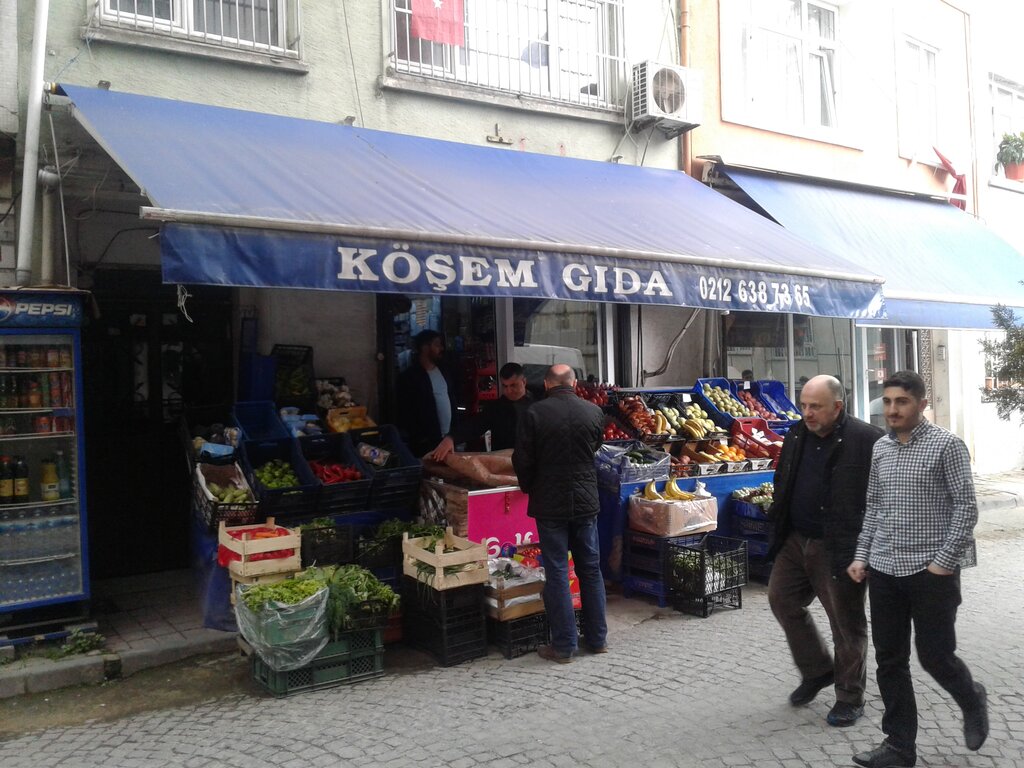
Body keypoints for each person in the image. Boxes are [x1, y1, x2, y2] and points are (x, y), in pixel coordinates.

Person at [848, 370, 988, 768]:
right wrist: (862, 556)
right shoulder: (881, 450)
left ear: (922, 404)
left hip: (931, 573)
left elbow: (966, 507)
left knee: (935, 656)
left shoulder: (947, 446)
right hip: (885, 570)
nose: (892, 410)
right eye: (888, 401)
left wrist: (943, 563)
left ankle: (971, 698)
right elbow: (874, 507)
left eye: (902, 402)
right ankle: (898, 746)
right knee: (889, 659)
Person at [767, 375, 884, 727]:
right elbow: (784, 479)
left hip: (840, 546)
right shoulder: (796, 434)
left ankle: (850, 697)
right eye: (803, 405)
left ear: (838, 406)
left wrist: (868, 548)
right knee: (782, 600)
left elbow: (882, 497)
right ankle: (818, 670)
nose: (807, 413)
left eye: (815, 406)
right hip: (796, 539)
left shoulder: (868, 440)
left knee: (846, 624)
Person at [512, 364, 607, 663]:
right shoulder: (593, 412)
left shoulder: (534, 414)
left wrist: (530, 486)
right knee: (590, 569)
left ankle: (564, 646)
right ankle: (597, 639)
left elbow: (522, 459)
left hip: (550, 503)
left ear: (548, 385)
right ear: (575, 383)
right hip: (585, 502)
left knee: (556, 572)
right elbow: (594, 447)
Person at [395, 330, 459, 461]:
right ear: (425, 348)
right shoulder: (409, 378)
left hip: (447, 440)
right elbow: (405, 412)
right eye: (437, 345)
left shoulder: (444, 371)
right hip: (425, 443)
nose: (441, 348)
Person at [475, 362, 533, 451]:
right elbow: (475, 425)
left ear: (524, 382)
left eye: (513, 385)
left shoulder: (537, 406)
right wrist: (452, 438)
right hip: (501, 460)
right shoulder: (496, 408)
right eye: (505, 386)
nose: (509, 391)